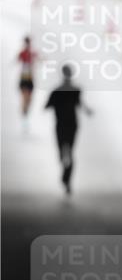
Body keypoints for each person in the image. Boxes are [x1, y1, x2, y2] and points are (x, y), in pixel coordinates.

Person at [45, 65, 93, 194]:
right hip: (72, 125)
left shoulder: (56, 91)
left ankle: (65, 176)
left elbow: (47, 106)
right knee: (70, 152)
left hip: (61, 125)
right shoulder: (76, 90)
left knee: (62, 152)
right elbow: (81, 104)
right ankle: (66, 177)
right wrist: (88, 111)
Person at [17, 36, 38, 118]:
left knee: (28, 98)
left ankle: (25, 110)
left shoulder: (31, 53)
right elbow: (18, 59)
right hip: (25, 77)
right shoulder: (23, 53)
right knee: (25, 96)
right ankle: (24, 111)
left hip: (29, 77)